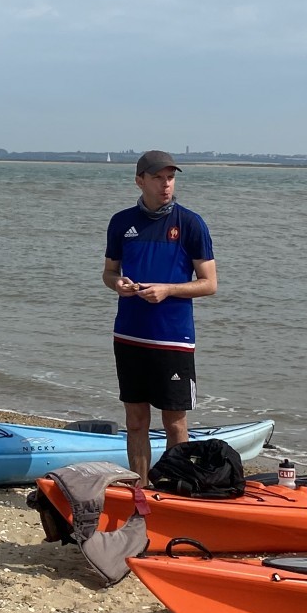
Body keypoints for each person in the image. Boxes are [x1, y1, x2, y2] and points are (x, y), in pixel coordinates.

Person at [102, 150, 217, 481]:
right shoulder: (121, 222)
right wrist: (118, 283)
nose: (166, 184)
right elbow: (109, 273)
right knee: (135, 420)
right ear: (140, 181)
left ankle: (175, 487)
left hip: (173, 338)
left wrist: (168, 289)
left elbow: (210, 284)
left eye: (170, 177)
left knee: (174, 421)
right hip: (129, 334)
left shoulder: (190, 223)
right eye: (158, 177)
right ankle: (140, 487)